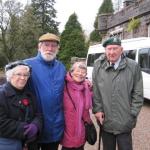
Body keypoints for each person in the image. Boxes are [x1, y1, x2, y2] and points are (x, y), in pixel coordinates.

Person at [92, 37, 143, 150]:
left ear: (121, 50)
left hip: (125, 121)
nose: (112, 52)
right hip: (106, 120)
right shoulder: (98, 65)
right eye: (109, 49)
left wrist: (132, 114)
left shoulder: (133, 66)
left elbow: (138, 93)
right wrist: (98, 109)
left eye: (115, 48)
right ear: (105, 51)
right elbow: (96, 92)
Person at [25, 33, 66, 150]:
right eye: (46, 45)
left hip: (55, 126)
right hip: (34, 125)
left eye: (53, 46)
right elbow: (11, 83)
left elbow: (71, 83)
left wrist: (85, 83)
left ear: (58, 49)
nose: (49, 49)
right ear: (39, 47)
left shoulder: (61, 67)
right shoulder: (27, 65)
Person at [0, 60, 42, 150]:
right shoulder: (1, 94)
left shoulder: (30, 94)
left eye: (26, 75)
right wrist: (24, 129)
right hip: (8, 144)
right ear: (10, 76)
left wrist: (36, 125)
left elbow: (38, 114)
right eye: (19, 74)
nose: (23, 78)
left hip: (30, 144)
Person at [61, 61, 93, 150]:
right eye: (78, 71)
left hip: (81, 131)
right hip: (67, 130)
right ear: (71, 72)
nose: (80, 74)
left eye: (83, 72)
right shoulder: (63, 85)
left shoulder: (87, 88)